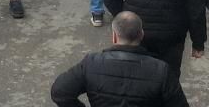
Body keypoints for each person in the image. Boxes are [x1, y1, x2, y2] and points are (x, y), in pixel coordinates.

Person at [51, 11, 190, 107]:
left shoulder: (91, 63)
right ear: (141, 35)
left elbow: (59, 91)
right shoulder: (161, 70)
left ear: (114, 36)